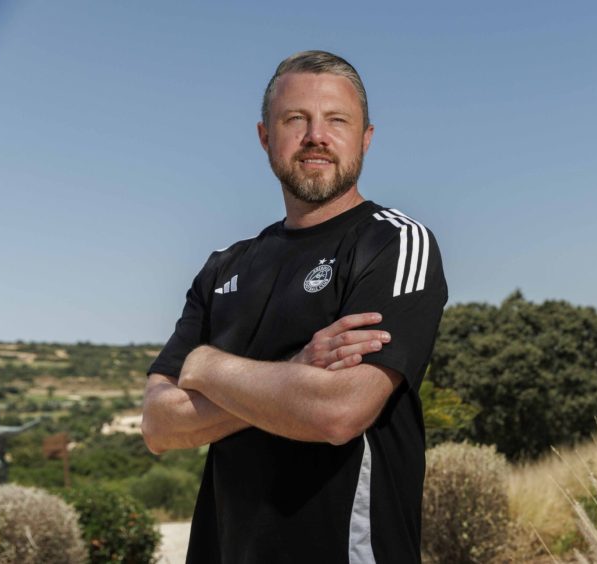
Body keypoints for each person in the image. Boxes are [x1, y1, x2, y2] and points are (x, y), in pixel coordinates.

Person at [141, 50, 447, 563]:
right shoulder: (223, 267)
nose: (316, 136)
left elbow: (339, 411)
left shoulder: (394, 245)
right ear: (265, 136)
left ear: (366, 138)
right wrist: (296, 373)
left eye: (337, 120)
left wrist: (205, 365)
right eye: (295, 119)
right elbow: (159, 425)